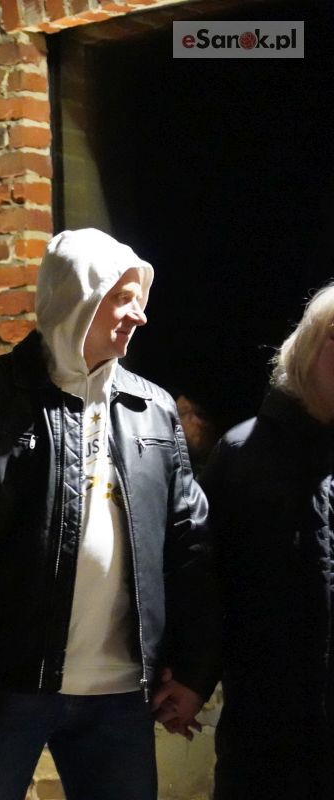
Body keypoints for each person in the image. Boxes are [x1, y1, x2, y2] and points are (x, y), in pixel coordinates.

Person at [0, 228, 220, 800]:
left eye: (138, 299)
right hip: (3, 685)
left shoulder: (152, 408)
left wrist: (194, 671)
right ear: (78, 297)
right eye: (122, 298)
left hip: (121, 693)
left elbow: (190, 546)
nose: (139, 315)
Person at [201, 282, 334, 799]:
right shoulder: (242, 455)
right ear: (309, 349)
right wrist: (191, 676)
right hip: (269, 732)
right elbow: (203, 581)